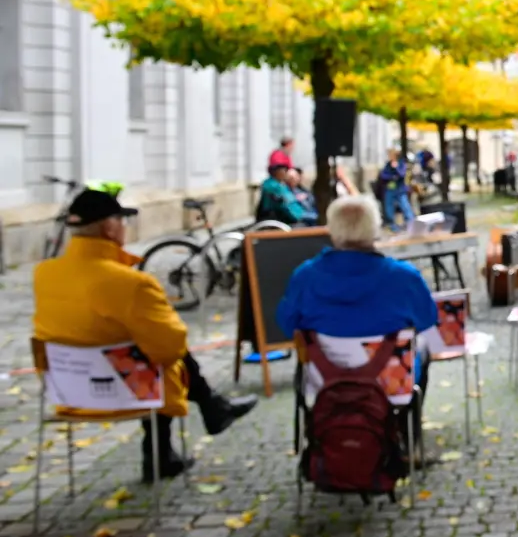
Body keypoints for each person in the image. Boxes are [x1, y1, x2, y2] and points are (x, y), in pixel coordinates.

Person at [34, 189, 257, 482]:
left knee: (141, 349)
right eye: (121, 221)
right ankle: (185, 429)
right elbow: (170, 347)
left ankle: (205, 414)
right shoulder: (132, 283)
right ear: (109, 227)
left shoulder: (44, 273)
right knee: (160, 356)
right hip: (124, 391)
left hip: (69, 389)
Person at [277, 195, 440, 439]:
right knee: (424, 350)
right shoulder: (404, 277)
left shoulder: (305, 276)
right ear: (374, 230)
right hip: (391, 382)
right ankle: (406, 436)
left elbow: (287, 324)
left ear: (332, 230)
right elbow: (429, 325)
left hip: (324, 382)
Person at [378, 149, 414, 231]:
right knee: (389, 208)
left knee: (405, 206)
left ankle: (410, 224)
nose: (389, 157)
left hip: (400, 190)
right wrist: (392, 177)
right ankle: (392, 225)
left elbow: (402, 174)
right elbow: (383, 175)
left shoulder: (401, 163)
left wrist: (396, 167)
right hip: (390, 189)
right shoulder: (388, 165)